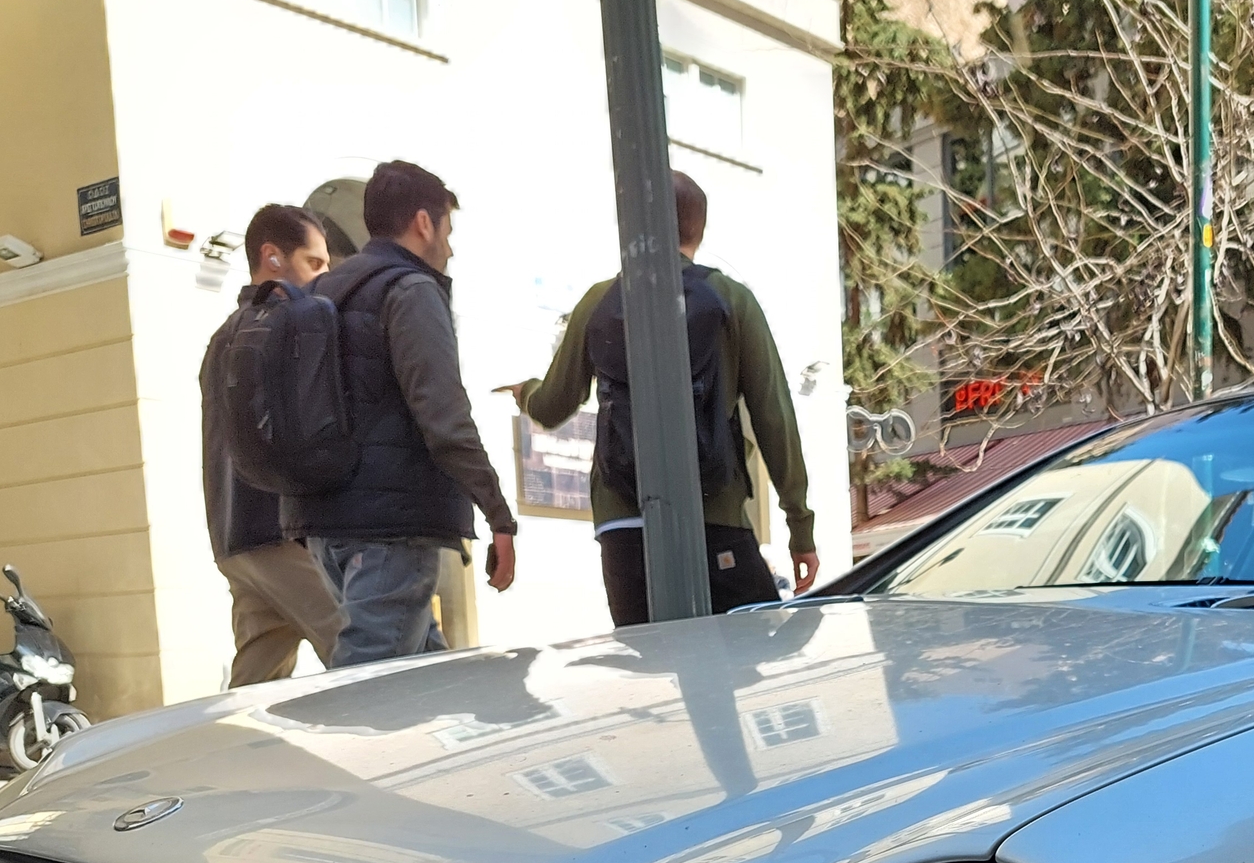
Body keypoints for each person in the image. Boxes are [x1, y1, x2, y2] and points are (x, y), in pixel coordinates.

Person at [509, 172, 817, 626]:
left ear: (633, 224)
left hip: (622, 523)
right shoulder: (731, 299)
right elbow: (774, 416)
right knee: (753, 654)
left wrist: (526, 393)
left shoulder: (598, 301)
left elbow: (554, 405)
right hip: (713, 513)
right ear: (700, 228)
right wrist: (799, 526)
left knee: (652, 664)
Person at [285, 160, 517, 666]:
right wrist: (498, 514)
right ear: (423, 223)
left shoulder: (325, 292)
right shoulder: (410, 290)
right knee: (369, 689)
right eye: (448, 230)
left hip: (326, 523)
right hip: (391, 526)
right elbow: (445, 418)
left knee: (427, 679)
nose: (450, 248)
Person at [202, 204, 344, 685]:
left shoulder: (225, 336)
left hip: (233, 534)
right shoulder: (283, 325)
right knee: (361, 650)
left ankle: (226, 759)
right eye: (316, 262)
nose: (324, 276)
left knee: (256, 683)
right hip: (276, 530)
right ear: (273, 257)